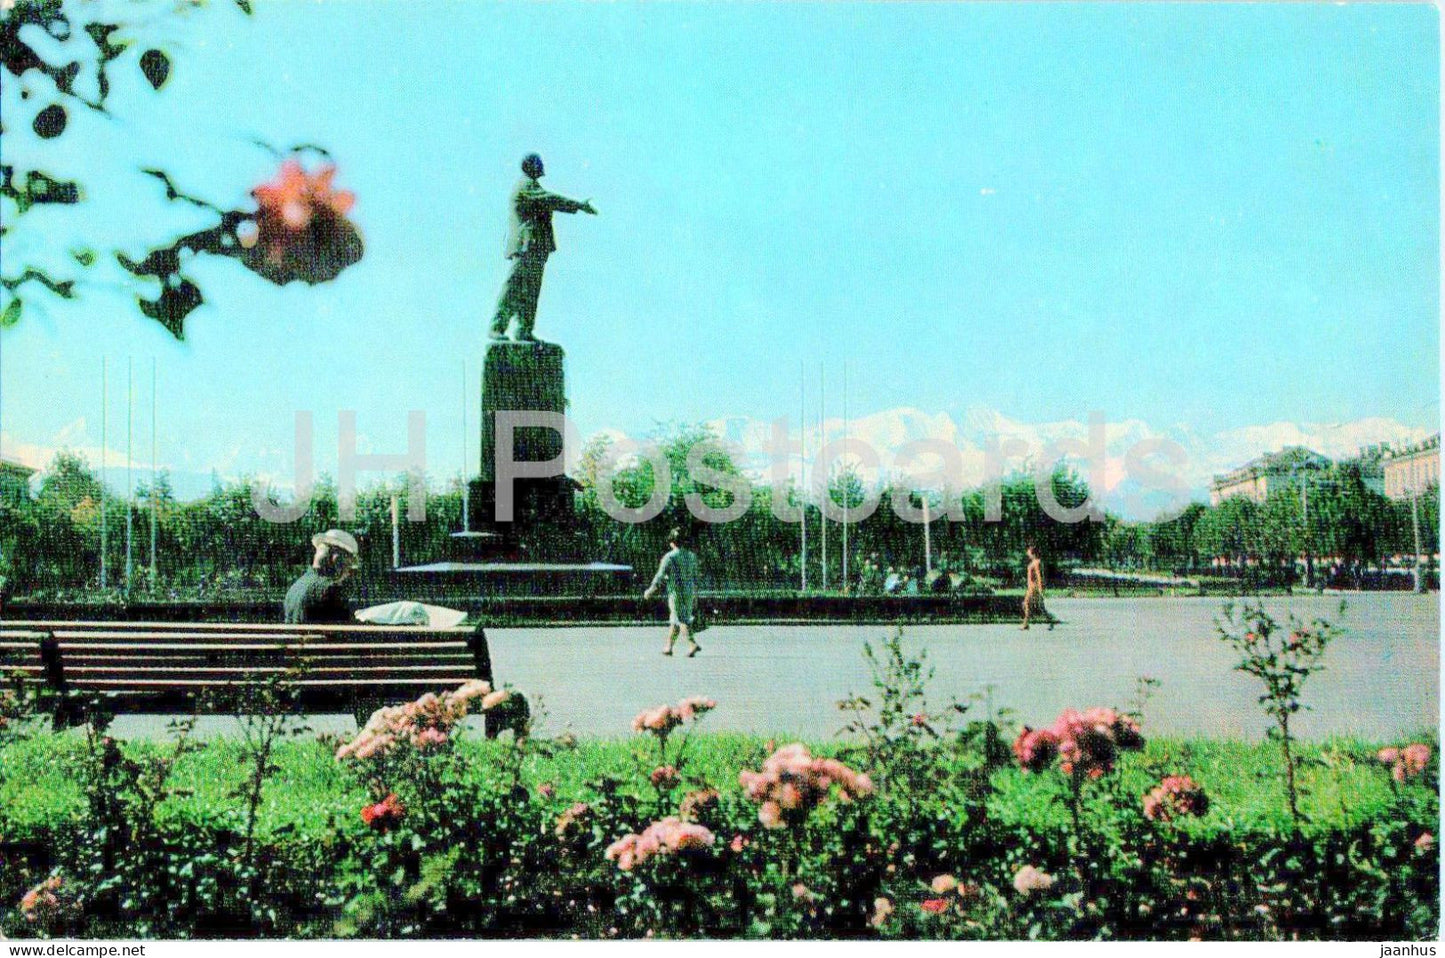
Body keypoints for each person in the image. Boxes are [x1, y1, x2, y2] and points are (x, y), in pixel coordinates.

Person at [490, 153, 597, 343]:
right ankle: (497, 327)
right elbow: (550, 199)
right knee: (514, 286)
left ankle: (524, 329)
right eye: (539, 164)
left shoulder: (531, 186)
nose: (542, 168)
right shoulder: (526, 186)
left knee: (531, 290)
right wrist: (579, 205)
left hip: (535, 246)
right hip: (526, 245)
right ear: (531, 166)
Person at [643, 526, 701, 657]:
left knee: (680, 619)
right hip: (689, 591)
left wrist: (650, 590)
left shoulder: (669, 557)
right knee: (676, 619)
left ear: (672, 542)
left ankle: (692, 644)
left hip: (676, 592)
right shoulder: (691, 556)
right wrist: (695, 594)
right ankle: (668, 647)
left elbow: (660, 576)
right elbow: (695, 577)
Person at [283, 529, 360, 624]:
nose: (347, 573)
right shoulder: (331, 590)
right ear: (337, 560)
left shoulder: (295, 587)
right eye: (348, 565)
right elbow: (345, 628)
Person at [1021, 545, 1056, 630]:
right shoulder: (1034, 562)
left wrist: (1040, 588)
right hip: (1031, 587)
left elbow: (1039, 575)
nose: (1027, 554)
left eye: (1029, 552)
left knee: (1027, 604)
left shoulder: (1037, 562)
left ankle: (1025, 624)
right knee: (1038, 606)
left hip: (1034, 587)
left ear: (1033, 553)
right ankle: (1050, 620)